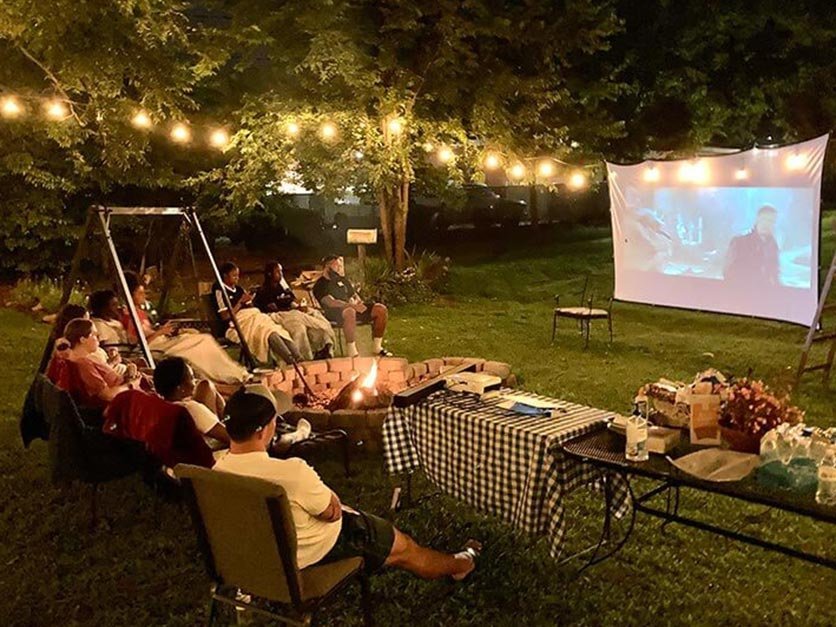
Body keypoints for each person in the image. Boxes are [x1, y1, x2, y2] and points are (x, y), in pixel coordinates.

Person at [213, 385, 481, 578]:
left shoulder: (214, 472)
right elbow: (332, 513)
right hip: (310, 554)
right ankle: (461, 564)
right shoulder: (291, 473)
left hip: (251, 559)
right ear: (264, 429)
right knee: (405, 546)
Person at [121, 271, 250, 384]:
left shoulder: (140, 312)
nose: (144, 297)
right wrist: (160, 332)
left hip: (161, 341)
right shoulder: (129, 315)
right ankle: (225, 375)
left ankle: (232, 372)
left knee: (202, 339)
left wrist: (163, 330)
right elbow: (136, 344)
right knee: (201, 341)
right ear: (130, 295)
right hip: (154, 347)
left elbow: (147, 332)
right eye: (140, 293)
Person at [212, 262, 303, 366]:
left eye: (238, 275)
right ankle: (291, 362)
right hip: (237, 323)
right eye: (234, 276)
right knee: (269, 334)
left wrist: (249, 301)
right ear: (225, 276)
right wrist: (240, 302)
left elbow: (250, 308)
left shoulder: (239, 289)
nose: (237, 278)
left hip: (253, 316)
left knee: (277, 330)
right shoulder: (219, 290)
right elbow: (225, 316)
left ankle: (299, 358)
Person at [312, 255, 391, 358]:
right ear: (327, 267)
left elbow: (353, 295)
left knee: (380, 309)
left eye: (340, 266)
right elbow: (331, 303)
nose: (339, 268)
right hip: (334, 313)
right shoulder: (320, 285)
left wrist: (358, 302)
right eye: (336, 266)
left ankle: (377, 347)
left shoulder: (342, 280)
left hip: (352, 308)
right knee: (349, 311)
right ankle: (352, 351)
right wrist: (352, 306)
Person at [254, 261, 335, 360]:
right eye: (277, 272)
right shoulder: (264, 291)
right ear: (269, 274)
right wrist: (294, 308)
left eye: (281, 271)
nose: (281, 274)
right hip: (279, 317)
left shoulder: (282, 288)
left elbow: (292, 300)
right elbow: (274, 309)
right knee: (299, 328)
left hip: (293, 313)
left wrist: (299, 306)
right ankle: (303, 357)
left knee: (314, 322)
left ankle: (324, 348)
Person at [57, 318, 142, 409]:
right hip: (126, 401)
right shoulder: (84, 364)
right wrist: (131, 384)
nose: (99, 337)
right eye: (94, 334)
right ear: (83, 339)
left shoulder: (80, 360)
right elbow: (108, 395)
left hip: (125, 387)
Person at [723, 205, 780, 287]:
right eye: (764, 219)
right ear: (757, 219)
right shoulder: (739, 241)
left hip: (764, 295)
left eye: (771, 221)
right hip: (742, 293)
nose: (766, 224)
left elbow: (774, 272)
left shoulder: (773, 245)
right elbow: (728, 272)